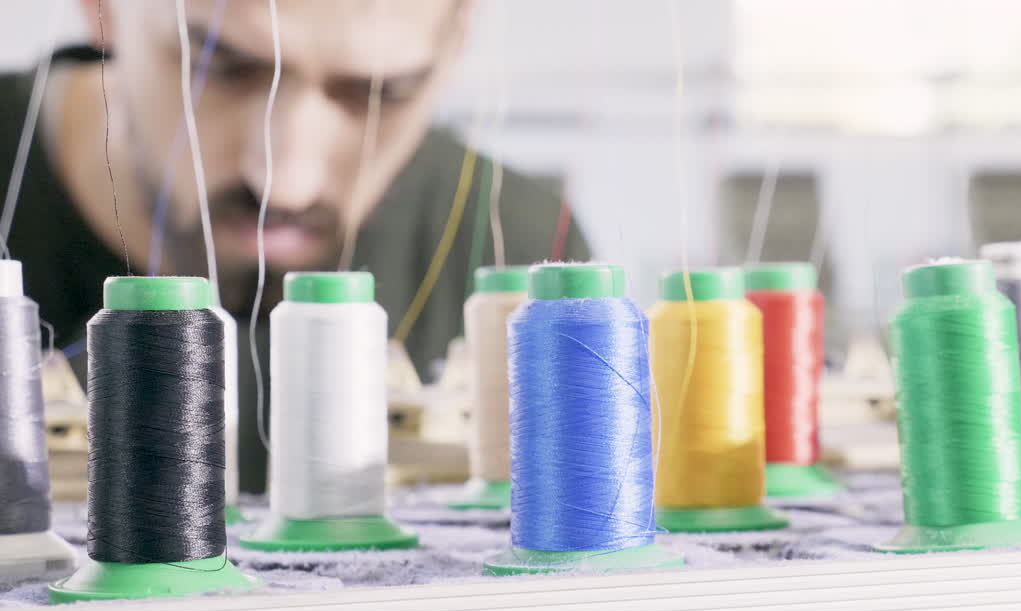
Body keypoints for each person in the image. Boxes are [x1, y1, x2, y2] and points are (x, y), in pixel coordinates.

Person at [0, 0, 588, 491]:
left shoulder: (522, 254)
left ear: (456, 44)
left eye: (381, 92)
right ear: (103, 9)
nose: (285, 182)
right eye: (220, 67)